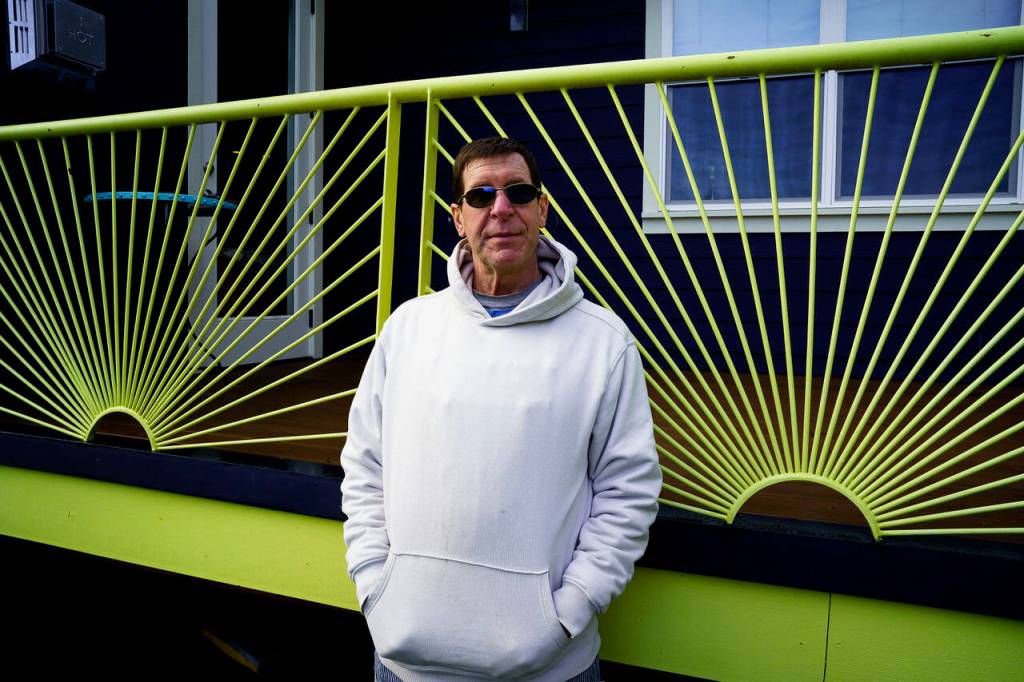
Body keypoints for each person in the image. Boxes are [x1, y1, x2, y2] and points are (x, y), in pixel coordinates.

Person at [340, 137, 662, 681]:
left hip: (551, 668)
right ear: (458, 218)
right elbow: (365, 467)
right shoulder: (408, 329)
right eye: (481, 195)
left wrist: (568, 613)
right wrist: (374, 585)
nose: (501, 209)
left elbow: (627, 491)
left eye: (518, 191)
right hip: (404, 664)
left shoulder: (603, 342)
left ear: (542, 208)